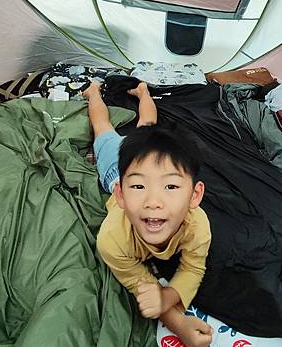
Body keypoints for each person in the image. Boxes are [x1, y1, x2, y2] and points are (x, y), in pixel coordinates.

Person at [83, 81, 213, 347]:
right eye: (138, 187)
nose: (153, 202)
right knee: (103, 129)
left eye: (171, 186)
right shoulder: (112, 239)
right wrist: (179, 324)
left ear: (194, 196)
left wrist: (167, 298)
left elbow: (193, 268)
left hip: (140, 156)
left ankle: (142, 91)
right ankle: (93, 92)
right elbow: (141, 285)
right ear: (120, 195)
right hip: (113, 166)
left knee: (148, 126)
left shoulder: (198, 226)